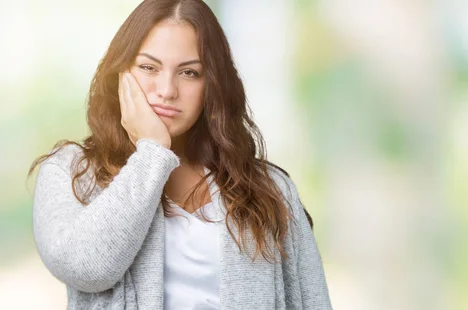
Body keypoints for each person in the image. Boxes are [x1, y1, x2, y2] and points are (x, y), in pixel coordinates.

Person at [27, 0, 332, 309]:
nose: (167, 90)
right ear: (120, 74)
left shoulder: (271, 188)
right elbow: (87, 268)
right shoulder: (70, 171)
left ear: (212, 83)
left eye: (189, 72)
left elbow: (312, 301)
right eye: (149, 67)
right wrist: (152, 152)